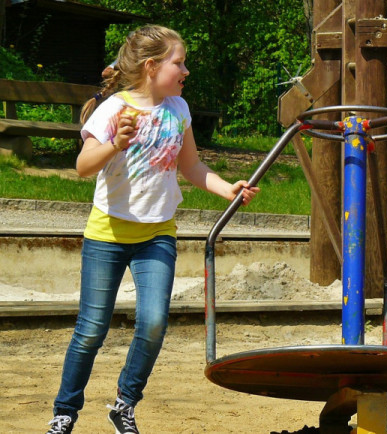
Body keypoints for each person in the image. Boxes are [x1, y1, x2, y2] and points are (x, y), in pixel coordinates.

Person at [45, 25, 259, 434]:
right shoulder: (114, 109)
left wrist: (226, 188)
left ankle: (124, 402)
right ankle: (64, 412)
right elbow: (83, 166)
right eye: (179, 62)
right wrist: (116, 145)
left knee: (155, 321)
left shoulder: (178, 109)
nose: (186, 71)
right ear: (151, 66)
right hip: (107, 234)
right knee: (92, 330)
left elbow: (192, 166)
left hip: (157, 234)